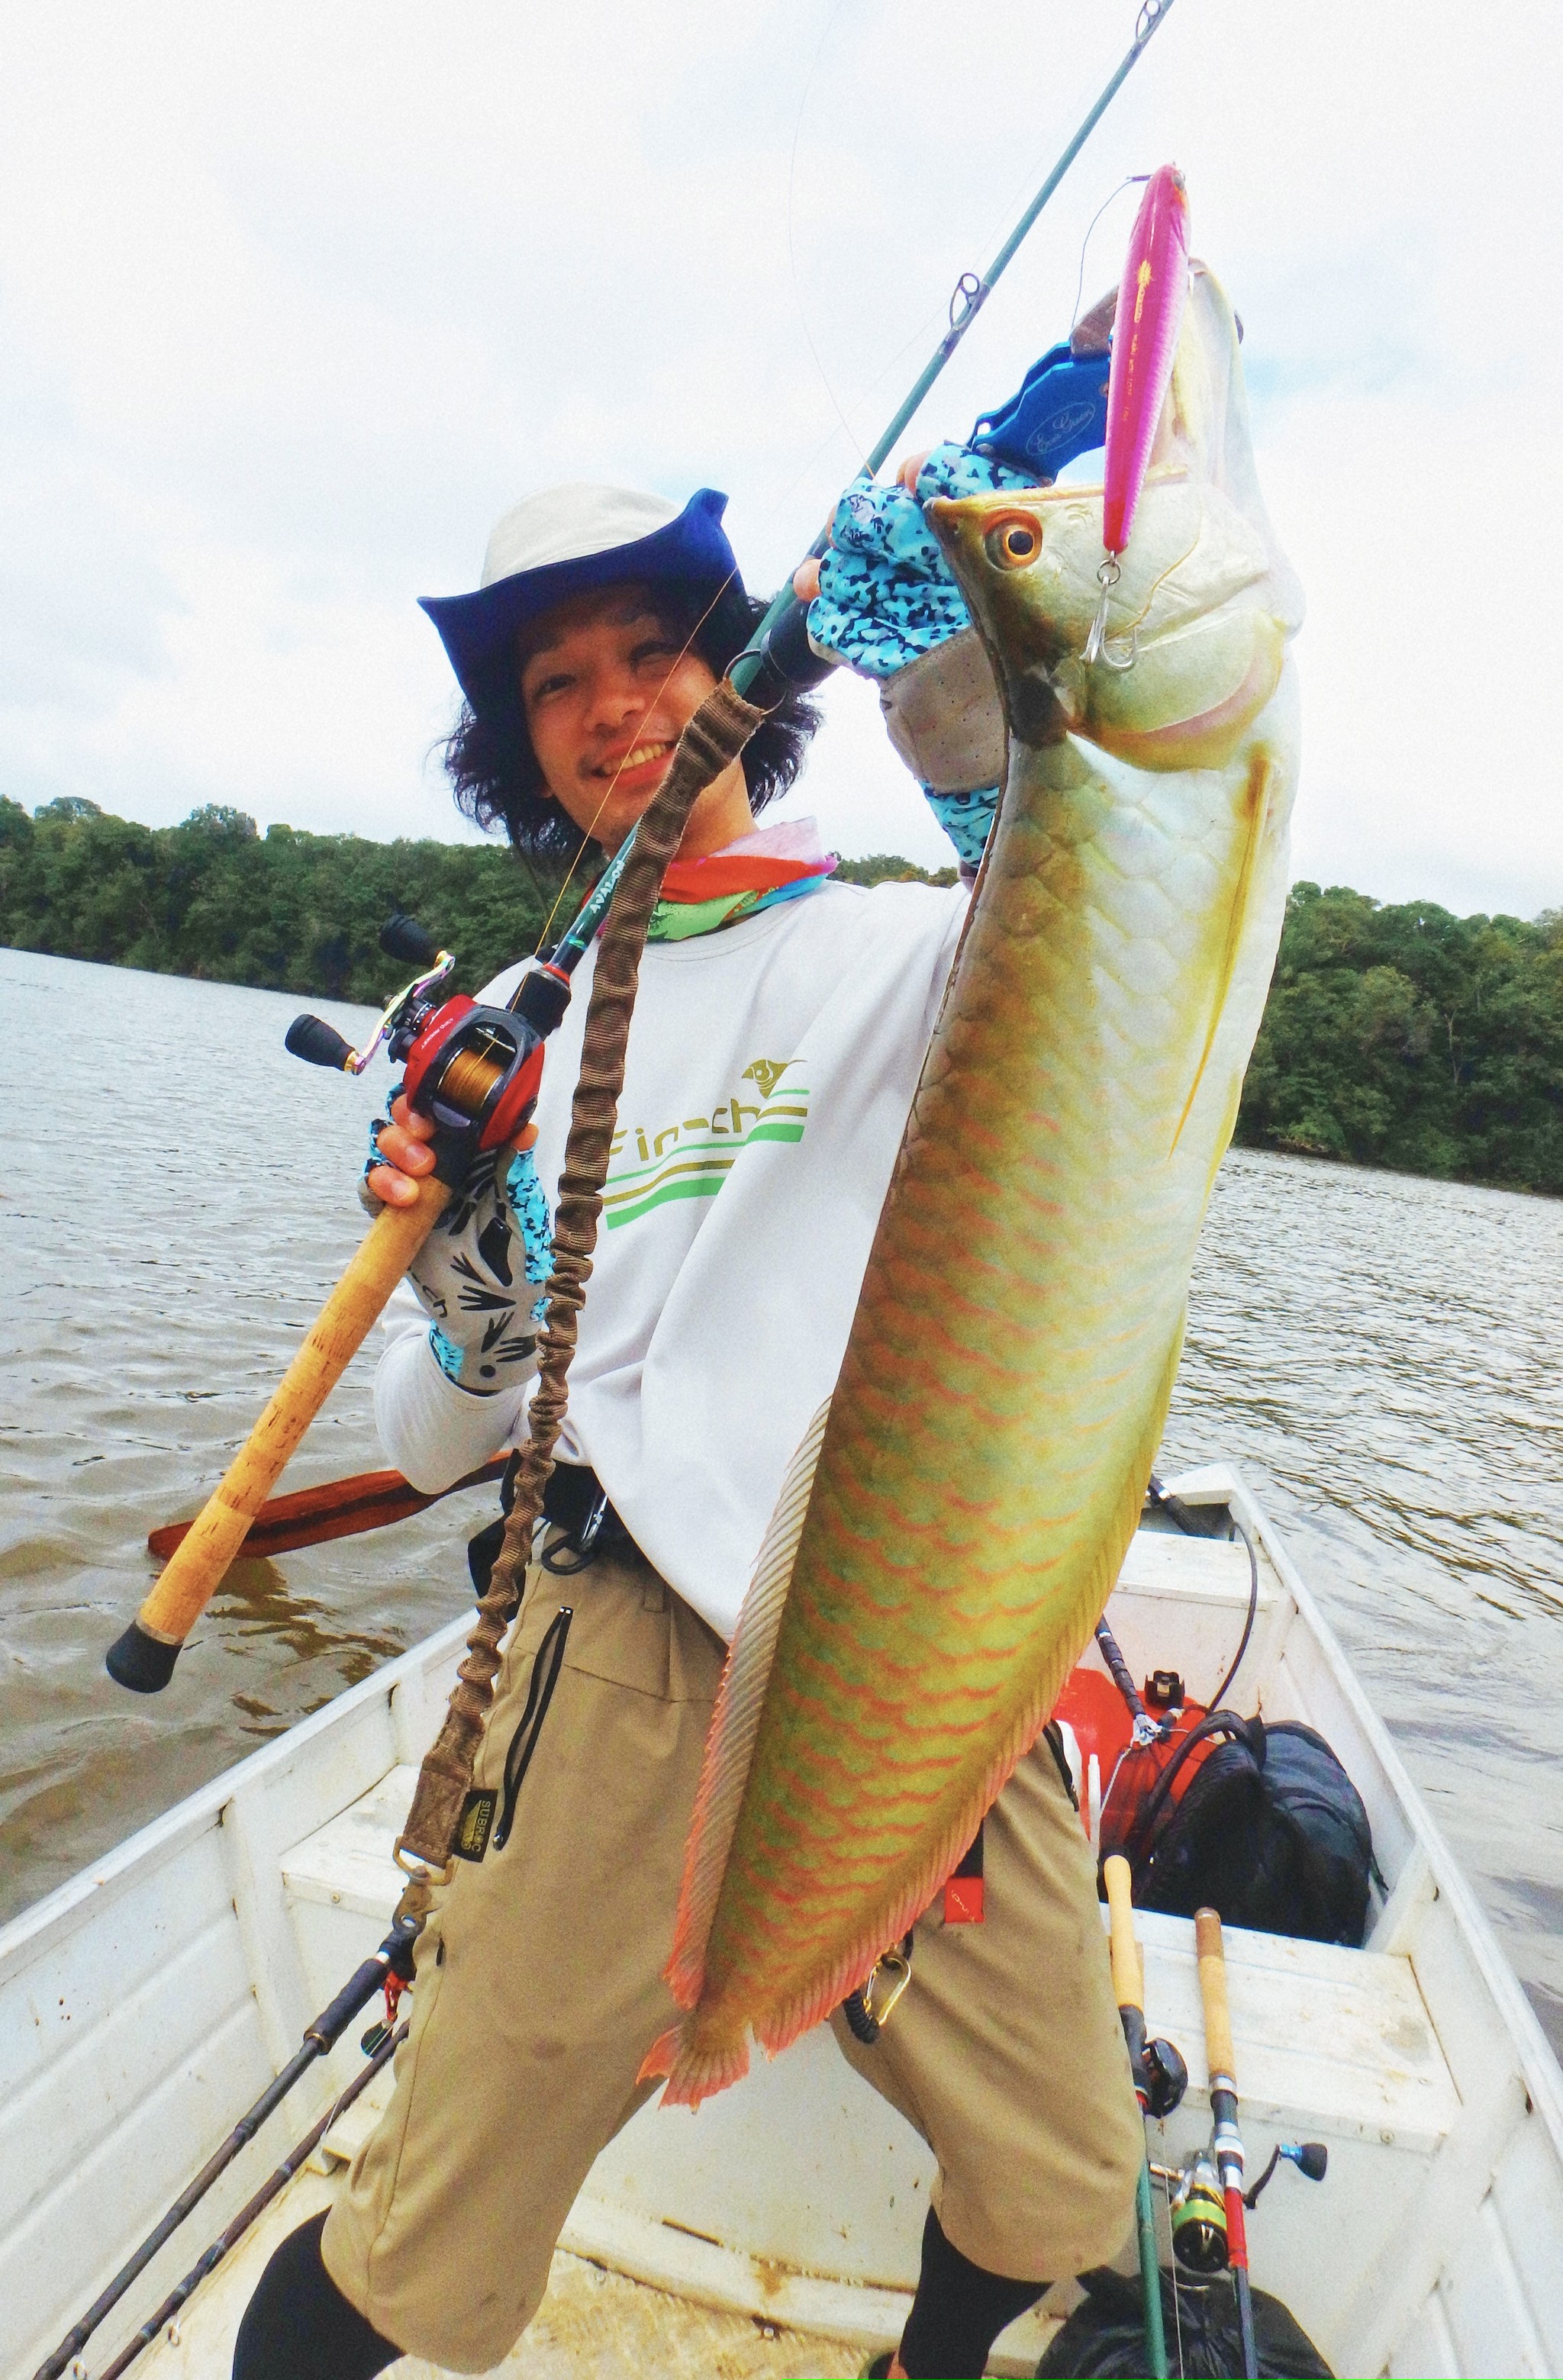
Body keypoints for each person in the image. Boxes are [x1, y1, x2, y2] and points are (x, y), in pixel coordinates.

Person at [232, 465, 1142, 2380]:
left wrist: (969, 699)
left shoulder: (898, 949)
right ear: (517, 745)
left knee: (1064, 2177)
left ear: (739, 674)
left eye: (656, 650)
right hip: (620, 1651)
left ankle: (936, 2358)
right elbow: (436, 1430)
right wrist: (467, 1259)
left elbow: (1092, 951)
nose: (616, 706)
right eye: (557, 684)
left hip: (915, 1637)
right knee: (413, 2238)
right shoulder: (499, 1032)